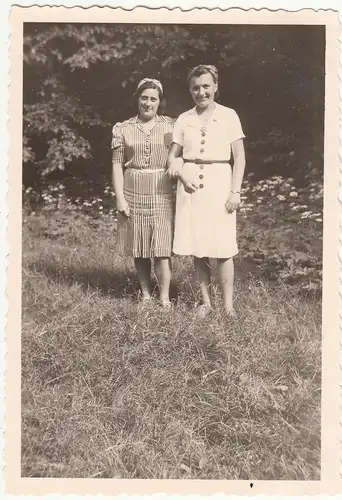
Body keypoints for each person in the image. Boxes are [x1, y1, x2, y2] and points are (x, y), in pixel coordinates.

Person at [167, 65, 246, 317]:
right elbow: (172, 157)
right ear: (190, 90)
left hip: (220, 182)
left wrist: (236, 191)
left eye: (205, 86)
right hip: (190, 187)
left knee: (223, 246)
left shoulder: (229, 115)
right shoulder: (184, 119)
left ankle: (228, 306)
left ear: (215, 87)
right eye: (195, 87)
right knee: (198, 246)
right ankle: (205, 303)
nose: (201, 92)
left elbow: (240, 157)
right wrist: (181, 172)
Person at [112, 78, 175, 307]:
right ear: (137, 99)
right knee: (139, 247)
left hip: (161, 189)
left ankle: (165, 297)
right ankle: (146, 294)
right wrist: (120, 197)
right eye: (144, 98)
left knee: (161, 248)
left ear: (160, 102)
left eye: (153, 99)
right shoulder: (124, 128)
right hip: (133, 188)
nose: (148, 103)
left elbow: (180, 157)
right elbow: (117, 165)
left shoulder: (172, 126)